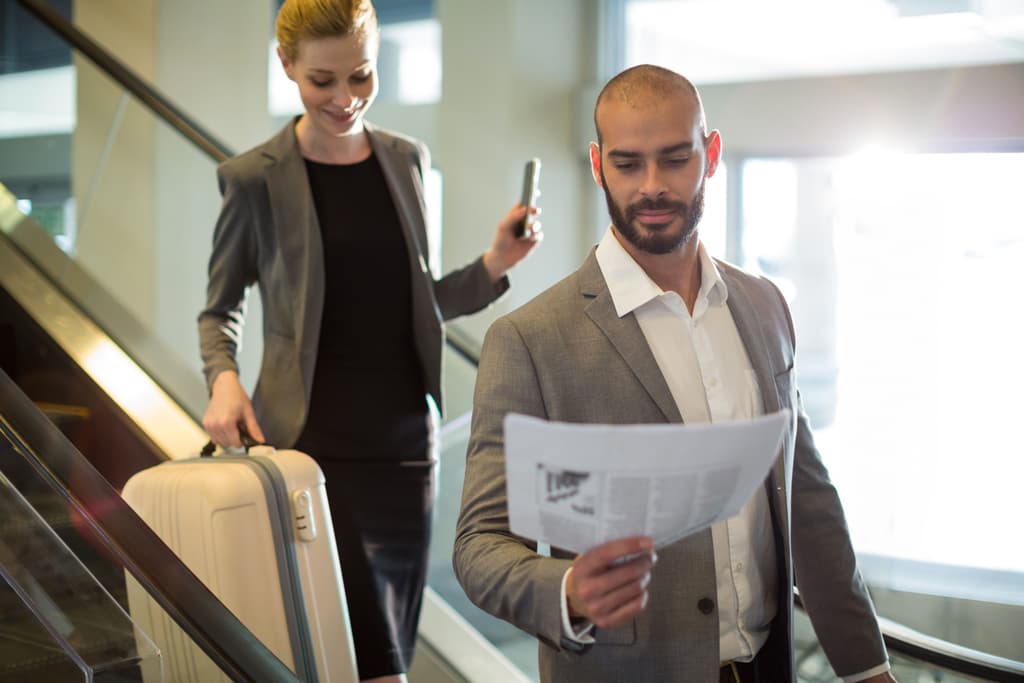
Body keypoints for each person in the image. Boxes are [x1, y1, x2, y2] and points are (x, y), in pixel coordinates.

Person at [453, 65, 896, 683]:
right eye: (628, 164)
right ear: (596, 162)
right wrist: (568, 591)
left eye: (675, 159)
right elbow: (480, 547)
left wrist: (865, 666)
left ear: (710, 155)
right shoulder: (529, 340)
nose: (652, 187)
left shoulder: (766, 306)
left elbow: (806, 499)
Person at [197, 1, 540, 680]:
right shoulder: (253, 178)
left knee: (385, 659)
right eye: (322, 81)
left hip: (404, 454)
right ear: (286, 65)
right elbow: (219, 309)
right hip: (310, 451)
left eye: (360, 76)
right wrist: (224, 377)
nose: (344, 99)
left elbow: (419, 305)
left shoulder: (407, 160)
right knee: (344, 656)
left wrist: (496, 264)